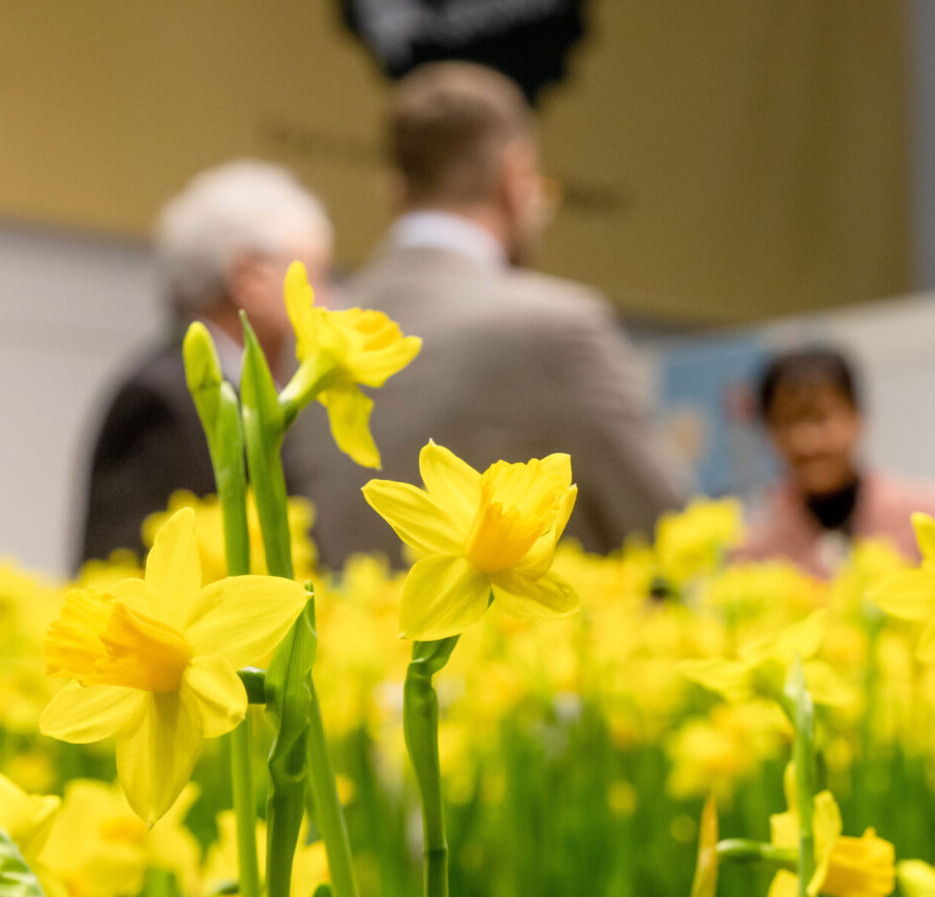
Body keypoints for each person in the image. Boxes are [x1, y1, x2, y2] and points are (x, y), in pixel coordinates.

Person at [290, 61, 680, 566]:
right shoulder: (560, 329)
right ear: (516, 179)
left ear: (395, 193)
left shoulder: (316, 339)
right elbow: (670, 536)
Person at [78, 161, 332, 565]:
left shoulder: (256, 391)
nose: (328, 301)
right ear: (250, 279)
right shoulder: (162, 400)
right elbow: (126, 571)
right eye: (316, 278)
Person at [737, 345, 935, 575]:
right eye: (787, 422)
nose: (806, 441)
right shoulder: (754, 548)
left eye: (820, 418)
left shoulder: (927, 517)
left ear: (857, 417)